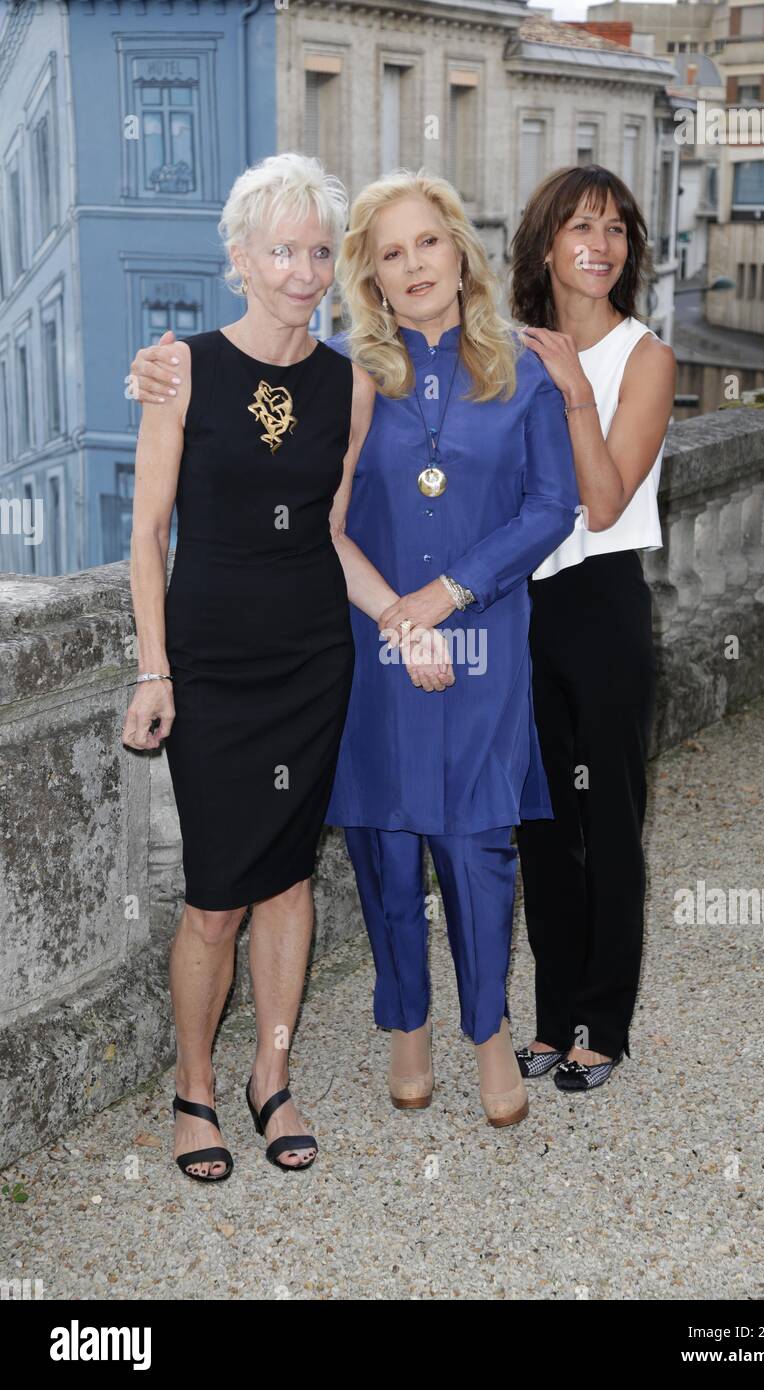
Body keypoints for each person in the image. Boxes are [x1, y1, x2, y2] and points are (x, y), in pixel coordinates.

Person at [131, 165, 579, 1129]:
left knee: (476, 842)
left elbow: (554, 506)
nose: (413, 263)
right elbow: (292, 487)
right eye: (388, 252)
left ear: (460, 248)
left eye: (428, 241)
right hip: (369, 646)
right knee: (381, 843)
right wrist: (155, 369)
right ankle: (406, 1025)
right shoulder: (349, 374)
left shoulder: (526, 367)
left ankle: (490, 1029)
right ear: (368, 278)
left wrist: (448, 595)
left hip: (482, 639)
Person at [123, 153, 443, 1180]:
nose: (304, 271)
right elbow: (148, 534)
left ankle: (270, 1074)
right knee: (217, 892)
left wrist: (396, 612)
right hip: (212, 664)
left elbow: (332, 534)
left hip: (311, 660)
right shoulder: (181, 370)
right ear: (240, 259)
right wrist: (151, 670)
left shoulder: (347, 384)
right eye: (282, 250)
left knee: (289, 883)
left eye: (316, 250)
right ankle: (193, 1088)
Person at [509, 164, 676, 1093]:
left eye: (616, 229)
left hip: (603, 602)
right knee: (541, 821)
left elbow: (605, 505)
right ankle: (550, 1015)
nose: (601, 245)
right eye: (581, 226)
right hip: (521, 603)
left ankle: (603, 1023)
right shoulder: (508, 349)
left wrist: (574, 388)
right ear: (546, 244)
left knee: (608, 820)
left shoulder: (643, 358)